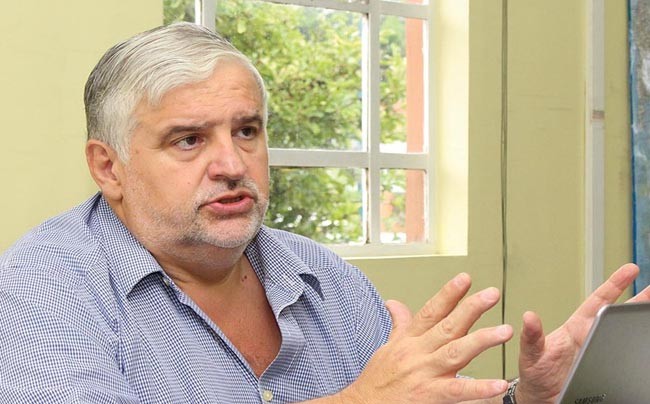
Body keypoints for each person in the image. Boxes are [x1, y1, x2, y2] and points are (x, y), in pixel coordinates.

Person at [0, 22, 648, 404]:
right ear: (108, 167)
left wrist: (530, 399)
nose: (232, 163)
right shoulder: (44, 285)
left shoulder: (321, 275)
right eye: (189, 140)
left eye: (247, 130)